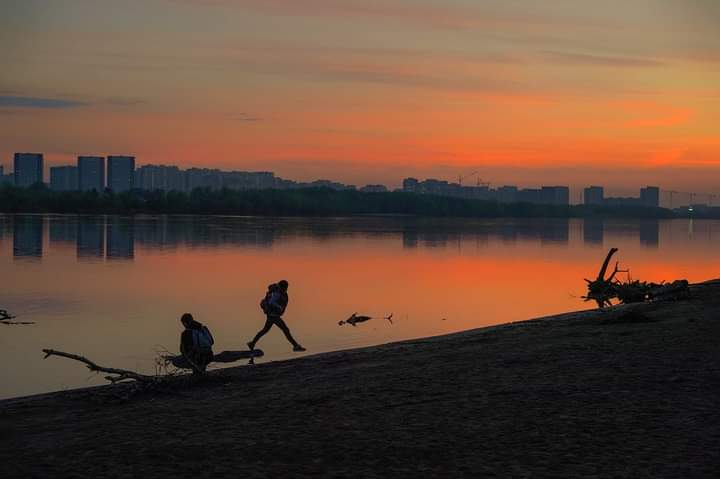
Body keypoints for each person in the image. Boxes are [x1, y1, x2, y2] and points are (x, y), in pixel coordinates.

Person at [248, 280, 306, 352]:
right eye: (285, 287)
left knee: (265, 330)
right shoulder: (277, 293)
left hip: (272, 315)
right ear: (282, 287)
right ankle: (295, 346)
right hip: (273, 316)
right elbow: (271, 302)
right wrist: (279, 307)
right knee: (285, 329)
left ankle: (252, 343)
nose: (286, 288)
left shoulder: (281, 292)